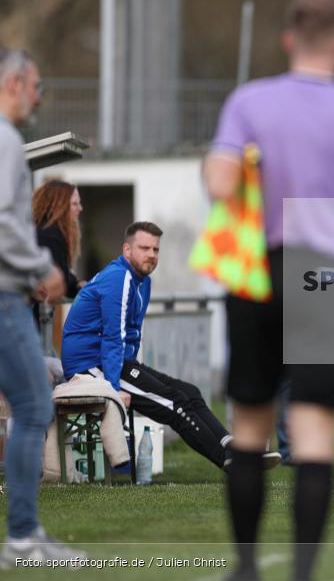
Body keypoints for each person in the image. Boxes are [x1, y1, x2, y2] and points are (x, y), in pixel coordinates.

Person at [204, 0, 334, 580]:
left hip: (259, 270)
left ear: (287, 40)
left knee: (251, 430)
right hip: (325, 274)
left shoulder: (248, 101)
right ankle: (304, 573)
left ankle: (247, 568)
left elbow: (219, 183)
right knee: (314, 434)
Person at [60, 221, 280, 471]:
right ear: (127, 250)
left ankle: (233, 447)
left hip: (114, 362)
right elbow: (113, 337)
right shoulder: (119, 277)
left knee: (190, 392)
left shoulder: (142, 281)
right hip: (91, 367)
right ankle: (231, 461)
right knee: (174, 403)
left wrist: (131, 371)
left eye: (155, 250)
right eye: (144, 248)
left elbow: (129, 336)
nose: (151, 255)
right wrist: (114, 388)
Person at [0, 47, 83, 567]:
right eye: (38, 86)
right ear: (13, 82)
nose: (40, 97)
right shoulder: (7, 141)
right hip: (4, 296)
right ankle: (24, 537)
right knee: (34, 407)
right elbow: (5, 225)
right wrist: (41, 268)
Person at [31, 178, 83, 330]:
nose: (80, 208)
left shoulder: (40, 231)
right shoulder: (51, 235)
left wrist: (74, 283)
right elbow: (58, 278)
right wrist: (75, 286)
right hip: (29, 319)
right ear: (59, 206)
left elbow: (60, 272)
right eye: (75, 203)